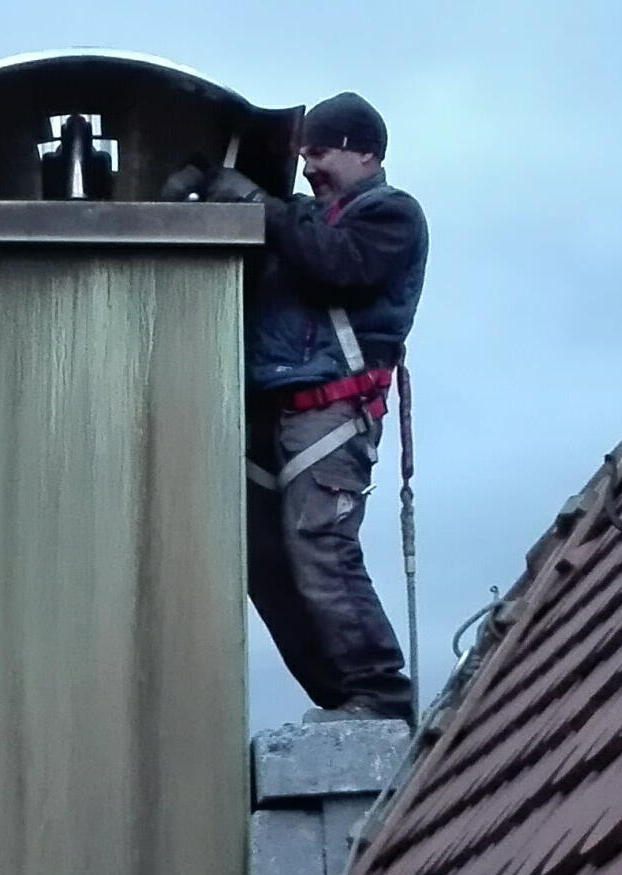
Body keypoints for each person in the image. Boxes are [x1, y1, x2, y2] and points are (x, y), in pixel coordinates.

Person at [164, 92, 428, 723]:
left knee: (320, 544)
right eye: (305, 154)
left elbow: (338, 265)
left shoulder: (389, 215)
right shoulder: (300, 221)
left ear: (367, 153)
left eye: (323, 152)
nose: (310, 167)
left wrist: (258, 203)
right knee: (263, 556)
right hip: (272, 411)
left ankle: (380, 693)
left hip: (332, 411)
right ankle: (338, 698)